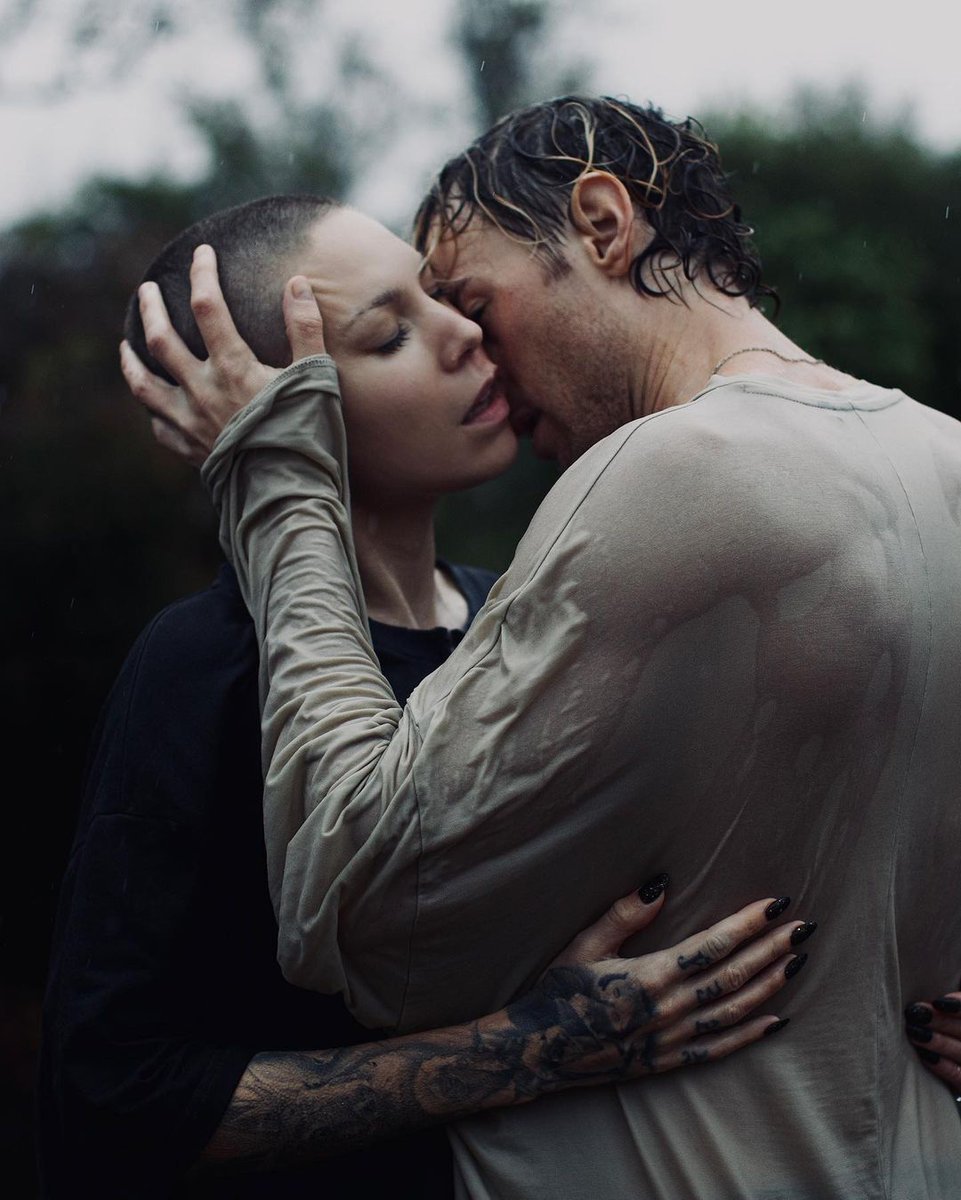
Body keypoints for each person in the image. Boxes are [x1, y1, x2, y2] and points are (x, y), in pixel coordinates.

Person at [127, 95, 961, 1198]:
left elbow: (358, 906)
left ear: (603, 224)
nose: (475, 350)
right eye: (401, 329)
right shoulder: (943, 458)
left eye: (473, 300)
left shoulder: (666, 471)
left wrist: (277, 477)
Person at [37, 195, 807, 1200]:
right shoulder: (205, 665)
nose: (462, 334)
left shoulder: (519, 612)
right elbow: (111, 1098)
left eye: (442, 297)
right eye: (389, 334)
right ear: (281, 413)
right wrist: (527, 1049)